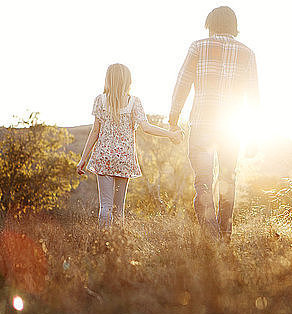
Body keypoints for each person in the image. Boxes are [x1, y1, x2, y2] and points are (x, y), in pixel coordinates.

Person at [168, 6, 260, 239]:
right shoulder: (247, 53)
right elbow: (253, 97)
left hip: (202, 125)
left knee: (203, 181)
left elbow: (182, 85)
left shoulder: (198, 47)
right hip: (231, 129)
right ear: (234, 27)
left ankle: (210, 235)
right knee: (228, 178)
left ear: (210, 25)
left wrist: (173, 120)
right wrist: (254, 135)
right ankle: (224, 237)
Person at [77, 63, 182, 227]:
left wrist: (83, 159)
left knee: (105, 206)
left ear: (108, 80)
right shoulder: (134, 102)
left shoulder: (100, 100)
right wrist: (170, 134)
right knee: (119, 208)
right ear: (128, 81)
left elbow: (94, 132)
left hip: (104, 158)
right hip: (124, 160)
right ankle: (118, 246)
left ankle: (103, 244)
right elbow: (146, 128)